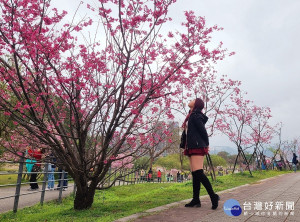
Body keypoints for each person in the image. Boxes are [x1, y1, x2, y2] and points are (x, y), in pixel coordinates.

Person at [180, 98, 219, 209]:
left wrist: (206, 145)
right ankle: (196, 199)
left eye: (193, 99)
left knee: (198, 172)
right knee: (195, 174)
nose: (190, 100)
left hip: (197, 146)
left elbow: (203, 131)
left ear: (196, 104)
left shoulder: (196, 116)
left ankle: (213, 196)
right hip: (191, 146)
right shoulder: (190, 115)